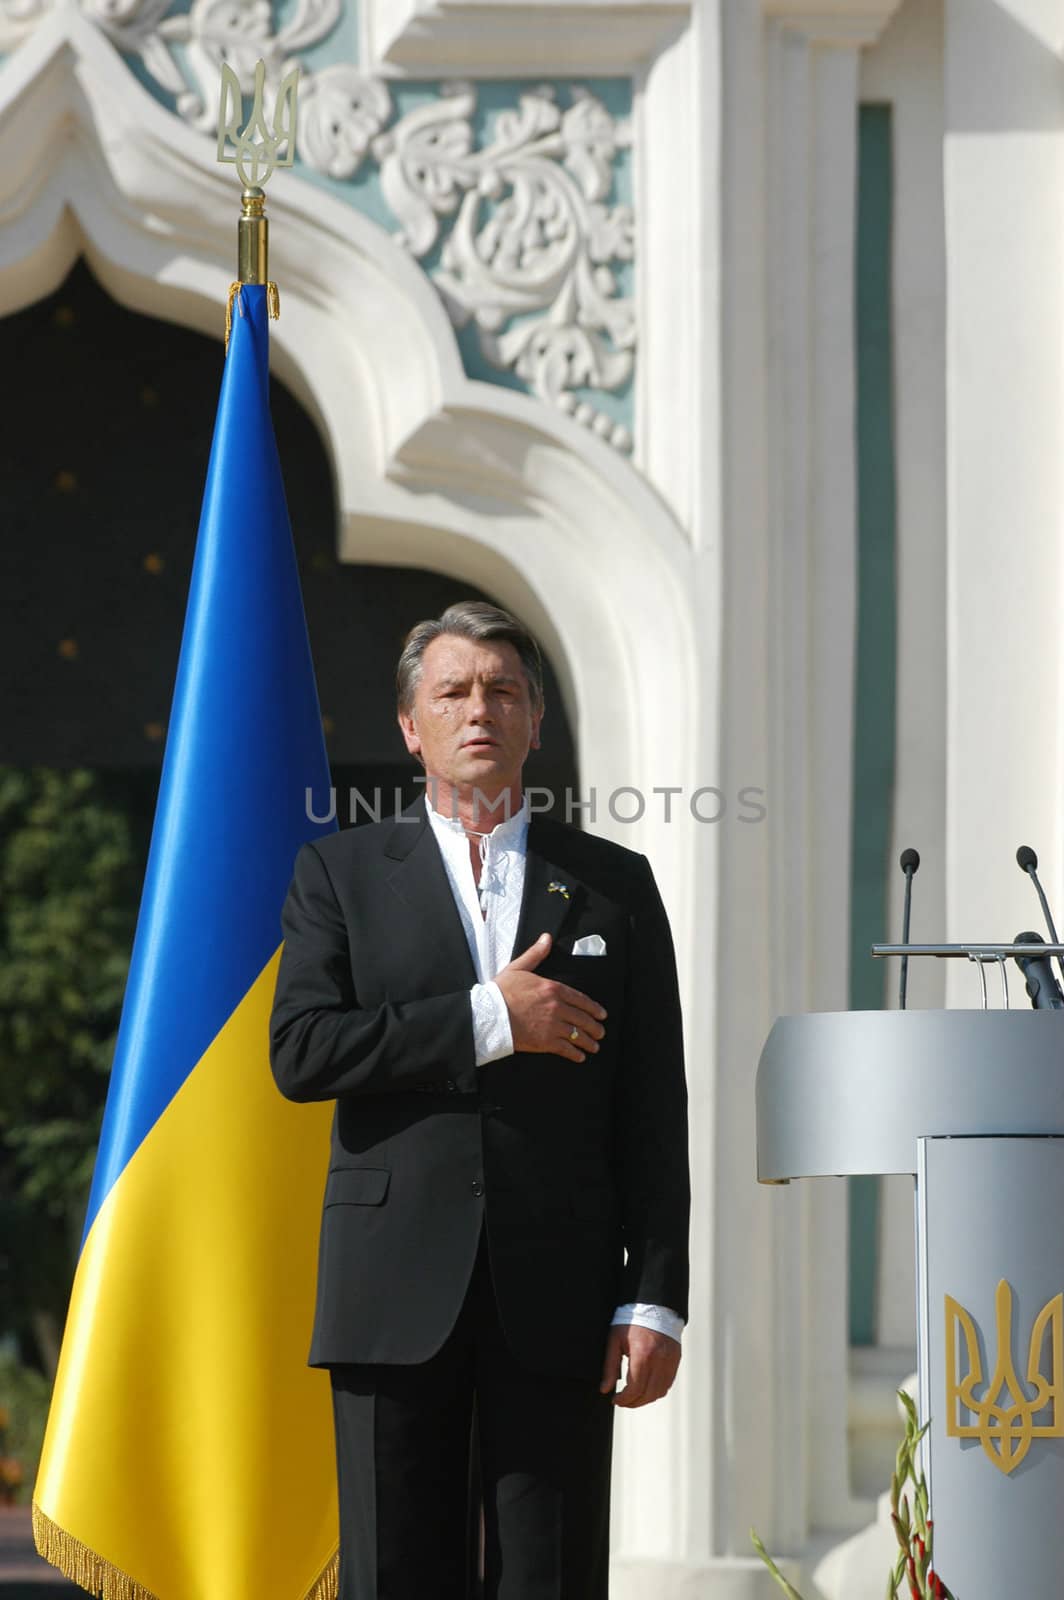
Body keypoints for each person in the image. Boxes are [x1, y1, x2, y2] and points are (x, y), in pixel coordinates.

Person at [269, 600, 690, 1600]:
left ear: (535, 722)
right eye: (452, 690)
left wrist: (655, 1296)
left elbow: (653, 1109)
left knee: (548, 1577)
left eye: (502, 690)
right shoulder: (341, 871)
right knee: (393, 1576)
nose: (479, 710)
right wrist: (486, 1019)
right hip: (388, 1292)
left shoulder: (612, 886)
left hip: (560, 1294)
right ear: (410, 726)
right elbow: (301, 1050)